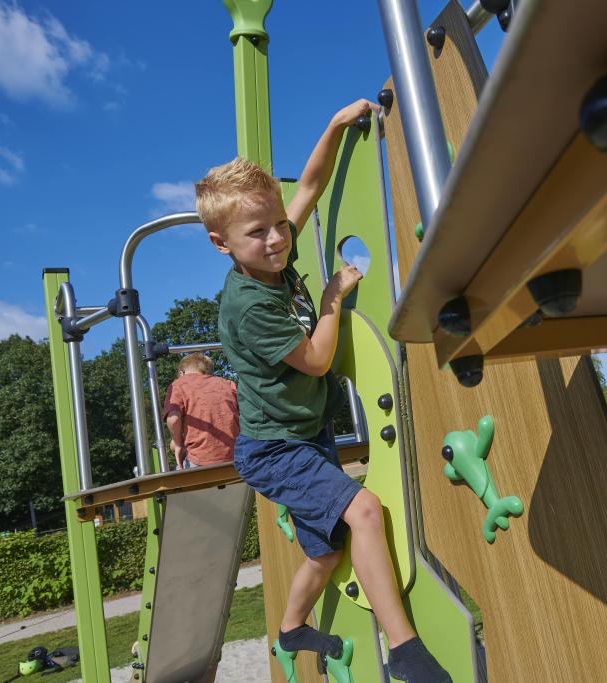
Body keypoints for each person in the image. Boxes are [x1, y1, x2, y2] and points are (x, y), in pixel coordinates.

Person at [196, 101, 450, 682]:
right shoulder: (251, 303)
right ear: (222, 244)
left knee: (325, 552)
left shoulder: (274, 256)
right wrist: (333, 296)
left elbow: (309, 184)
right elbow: (314, 359)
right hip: (275, 449)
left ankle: (291, 628)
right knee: (364, 509)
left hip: (307, 434)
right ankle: (406, 649)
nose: (277, 238)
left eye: (279, 224)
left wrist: (334, 127)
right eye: (256, 232)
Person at [163, 353, 239, 469]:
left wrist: (178, 444)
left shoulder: (178, 385)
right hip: (236, 457)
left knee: (175, 454)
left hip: (200, 461)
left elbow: (173, 419)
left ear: (181, 373)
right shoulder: (228, 384)